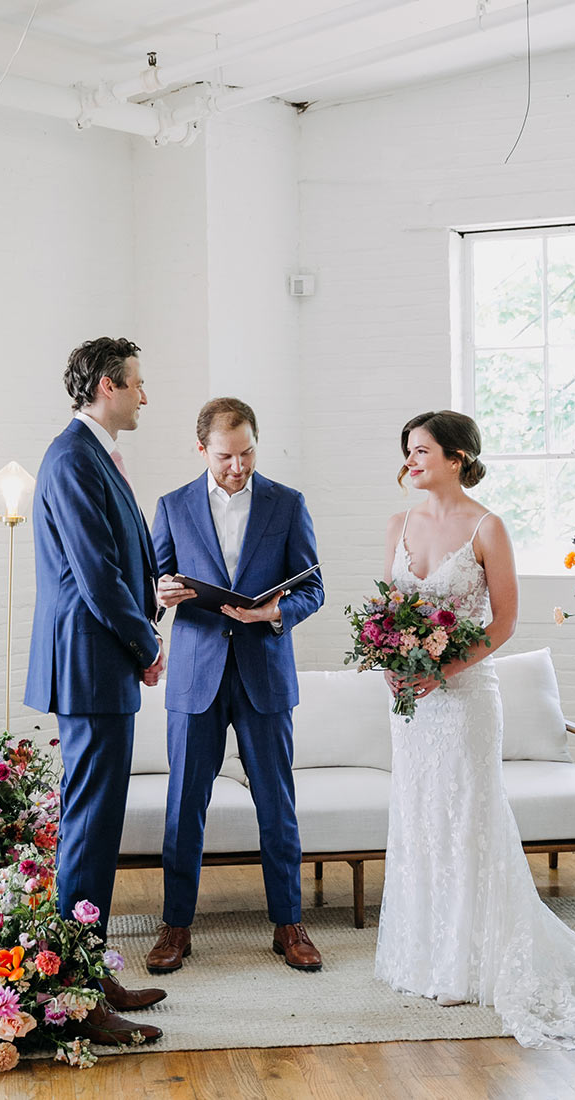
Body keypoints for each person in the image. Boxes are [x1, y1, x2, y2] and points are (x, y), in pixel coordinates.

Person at [375, 408, 575, 1047]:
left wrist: (442, 671)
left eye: (421, 451)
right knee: (419, 815)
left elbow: (503, 623)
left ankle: (469, 962)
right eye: (407, 450)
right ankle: (423, 955)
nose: (410, 461)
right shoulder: (398, 524)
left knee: (466, 815)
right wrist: (392, 658)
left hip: (465, 697)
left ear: (457, 459)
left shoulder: (488, 527)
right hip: (411, 704)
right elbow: (391, 612)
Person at [145, 398, 325, 974]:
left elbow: (313, 587)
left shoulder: (287, 503)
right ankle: (176, 926)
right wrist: (158, 595)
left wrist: (276, 612)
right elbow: (152, 585)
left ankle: (289, 924)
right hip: (195, 676)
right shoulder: (172, 506)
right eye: (226, 456)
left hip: (264, 672)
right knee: (184, 806)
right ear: (202, 449)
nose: (238, 466)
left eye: (247, 453)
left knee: (277, 803)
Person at [25, 337, 166, 1045]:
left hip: (98, 660)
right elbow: (96, 574)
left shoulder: (91, 454)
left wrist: (153, 604)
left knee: (99, 823)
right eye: (138, 383)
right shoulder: (74, 457)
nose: (145, 395)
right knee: (88, 825)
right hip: (90, 661)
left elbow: (120, 563)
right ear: (109, 385)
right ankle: (76, 998)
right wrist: (147, 642)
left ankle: (90, 969)